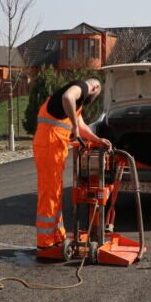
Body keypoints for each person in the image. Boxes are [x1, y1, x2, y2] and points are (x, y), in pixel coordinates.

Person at [33, 78, 111, 259]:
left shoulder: (75, 105)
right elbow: (68, 97)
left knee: (56, 193)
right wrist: (74, 127)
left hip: (53, 147)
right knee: (49, 193)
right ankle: (45, 245)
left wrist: (97, 140)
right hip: (49, 145)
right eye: (96, 95)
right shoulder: (84, 87)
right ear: (95, 88)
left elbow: (81, 126)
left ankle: (56, 238)